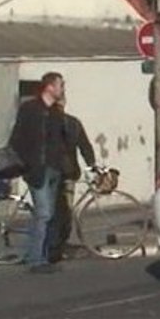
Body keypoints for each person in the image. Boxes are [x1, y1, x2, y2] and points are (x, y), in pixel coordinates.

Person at [9, 72, 66, 273]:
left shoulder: (57, 113)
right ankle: (36, 260)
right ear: (49, 87)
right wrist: (26, 164)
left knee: (45, 215)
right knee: (44, 213)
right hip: (36, 169)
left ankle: (36, 253)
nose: (62, 89)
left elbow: (61, 142)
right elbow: (17, 138)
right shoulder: (30, 109)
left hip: (53, 169)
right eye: (60, 85)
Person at [50, 98, 97, 261]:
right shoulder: (72, 123)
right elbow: (85, 146)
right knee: (63, 211)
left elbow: (84, 146)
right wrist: (92, 164)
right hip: (65, 173)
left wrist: (92, 164)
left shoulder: (67, 123)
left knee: (61, 210)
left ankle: (57, 243)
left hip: (61, 172)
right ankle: (57, 244)